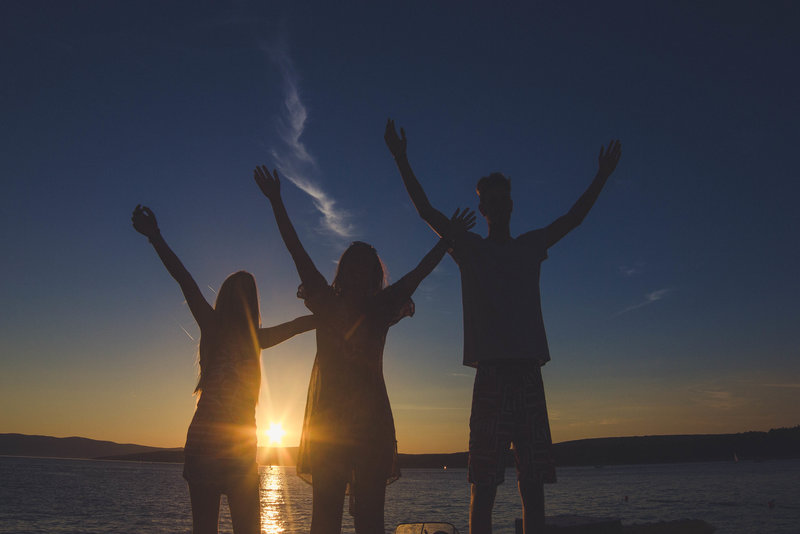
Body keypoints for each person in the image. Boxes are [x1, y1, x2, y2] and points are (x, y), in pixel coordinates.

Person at [384, 119, 622, 534]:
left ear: (509, 205)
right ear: (482, 209)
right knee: (484, 485)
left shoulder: (530, 246)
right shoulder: (468, 248)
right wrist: (402, 158)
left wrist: (601, 175)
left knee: (533, 485)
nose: (496, 206)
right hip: (491, 374)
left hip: (528, 374)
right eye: (488, 201)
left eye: (501, 199)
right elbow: (425, 210)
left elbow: (574, 218)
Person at [253, 166, 476, 534]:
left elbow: (420, 271)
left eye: (365, 269)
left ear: (373, 276)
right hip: (329, 425)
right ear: (344, 272)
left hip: (371, 426)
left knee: (370, 519)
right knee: (325, 518)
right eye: (352, 267)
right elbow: (296, 249)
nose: (357, 274)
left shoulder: (380, 306)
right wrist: (277, 201)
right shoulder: (326, 300)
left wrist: (446, 238)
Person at [132, 205, 316, 534]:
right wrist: (155, 237)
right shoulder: (219, 328)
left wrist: (330, 308)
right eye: (239, 293)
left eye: (246, 295)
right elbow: (184, 279)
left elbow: (301, 324)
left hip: (230, 444)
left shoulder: (251, 336)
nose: (242, 300)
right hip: (213, 442)